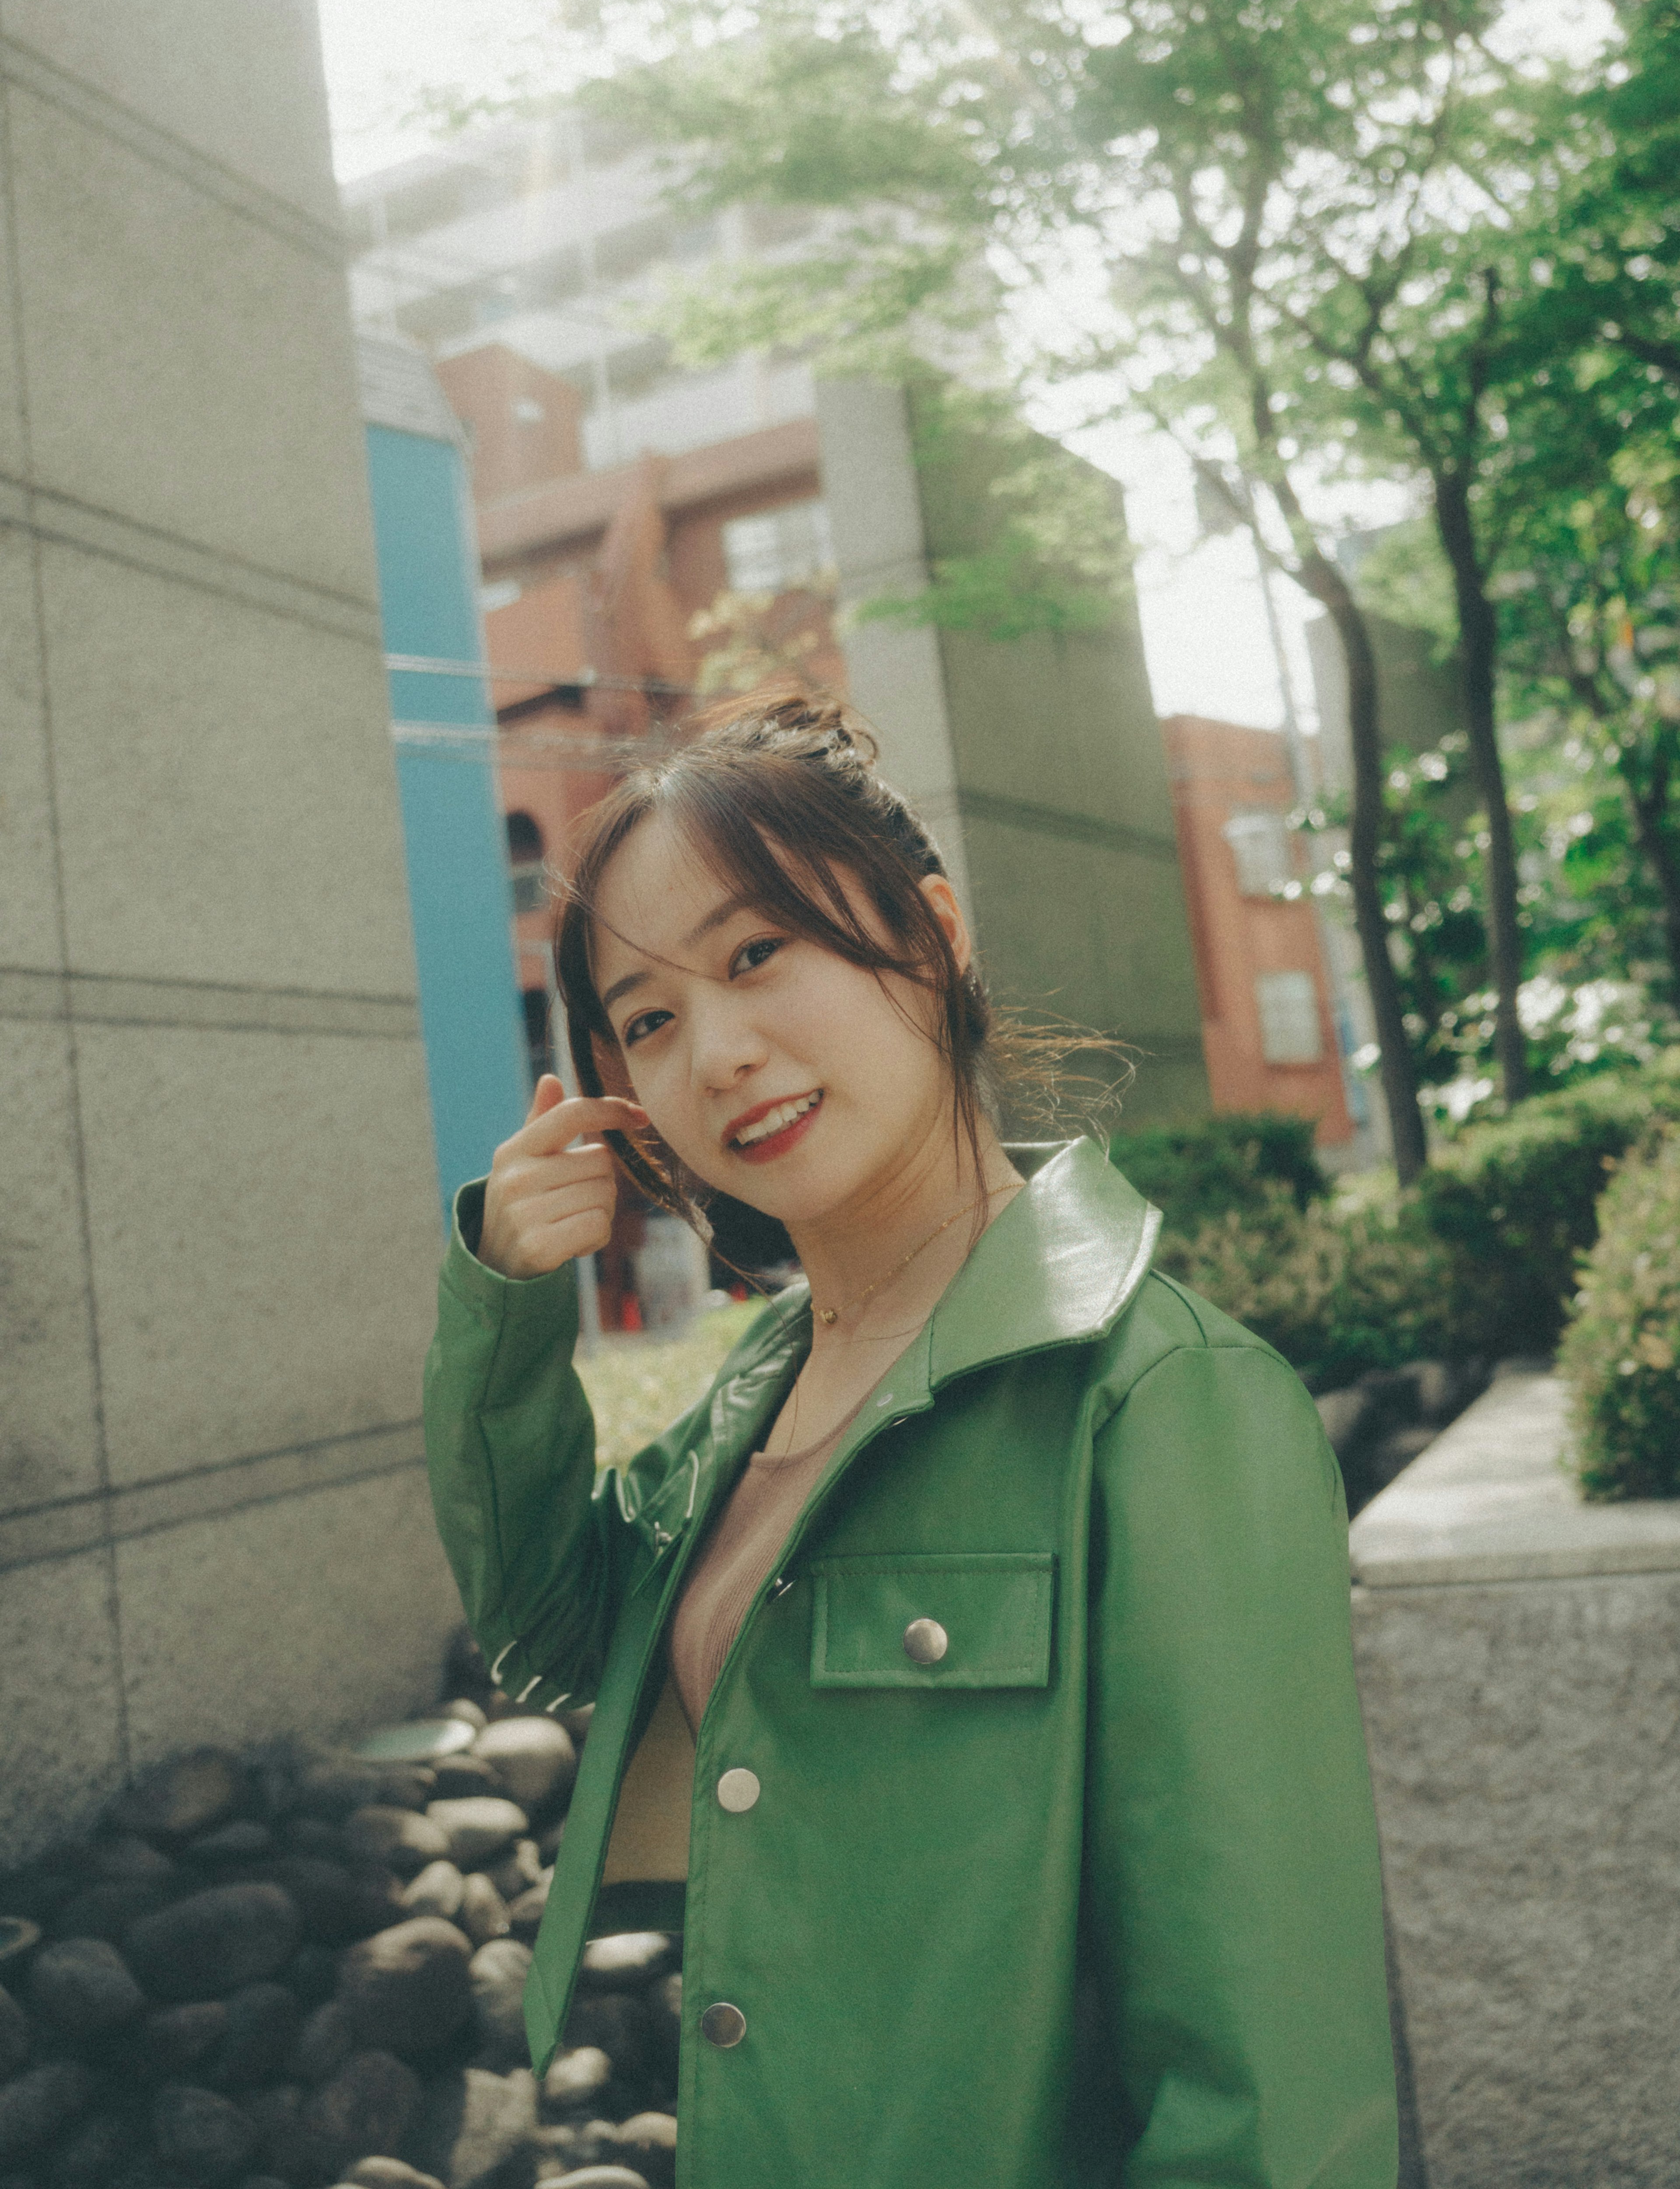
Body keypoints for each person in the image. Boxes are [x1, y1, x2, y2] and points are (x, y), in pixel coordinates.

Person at [423, 695, 1398, 2189]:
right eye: (650, 1019)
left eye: (759, 955)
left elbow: (1265, 2083)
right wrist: (502, 1314)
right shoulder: (765, 1383)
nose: (722, 1050)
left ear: (930, 936)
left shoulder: (1163, 1398)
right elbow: (557, 1632)